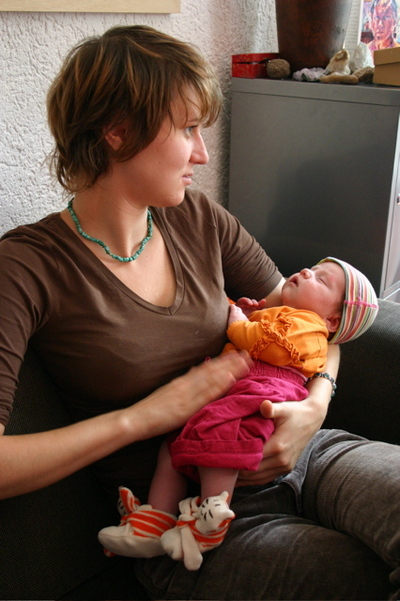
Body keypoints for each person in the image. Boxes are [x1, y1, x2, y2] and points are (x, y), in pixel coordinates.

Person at [0, 24, 398, 600]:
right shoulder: (26, 265)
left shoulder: (198, 217)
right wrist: (144, 417)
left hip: (308, 453)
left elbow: (313, 321)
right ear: (117, 131)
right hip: (189, 521)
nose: (203, 153)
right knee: (356, 579)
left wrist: (314, 407)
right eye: (188, 128)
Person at [98, 257, 379, 570]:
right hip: (235, 386)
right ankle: (155, 520)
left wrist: (238, 325)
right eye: (312, 269)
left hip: (264, 388)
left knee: (222, 440)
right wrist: (247, 314)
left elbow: (270, 346)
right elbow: (253, 332)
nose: (305, 272)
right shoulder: (283, 313)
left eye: (321, 280)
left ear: (332, 322)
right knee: (173, 446)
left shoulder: (309, 326)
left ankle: (211, 515)